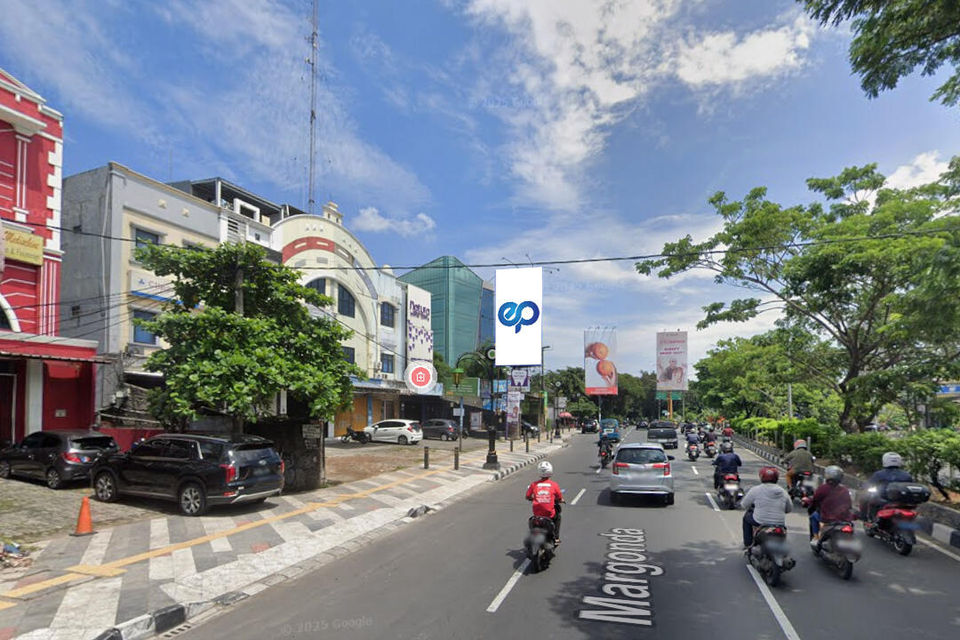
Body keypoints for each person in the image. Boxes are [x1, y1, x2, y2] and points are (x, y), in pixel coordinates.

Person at [741, 466, 792, 548]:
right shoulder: (783, 491)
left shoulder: (756, 489)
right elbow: (789, 509)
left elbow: (744, 505)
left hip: (760, 521)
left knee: (746, 518)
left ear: (761, 477)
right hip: (779, 524)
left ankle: (748, 543)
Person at [806, 465, 854, 550]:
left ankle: (816, 538)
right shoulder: (845, 490)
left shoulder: (823, 488)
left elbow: (815, 501)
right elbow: (849, 505)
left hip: (828, 520)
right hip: (845, 520)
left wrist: (811, 508)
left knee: (813, 516)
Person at [862, 452, 913, 523]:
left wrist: (864, 486)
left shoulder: (879, 474)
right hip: (902, 502)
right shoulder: (907, 475)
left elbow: (868, 484)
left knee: (865, 499)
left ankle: (866, 518)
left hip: (884, 500)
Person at [526, 461, 565, 544]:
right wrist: (561, 500)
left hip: (537, 514)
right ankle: (556, 538)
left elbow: (527, 496)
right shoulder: (554, 485)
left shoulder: (534, 484)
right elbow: (559, 497)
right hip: (549, 515)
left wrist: (532, 498)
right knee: (558, 517)